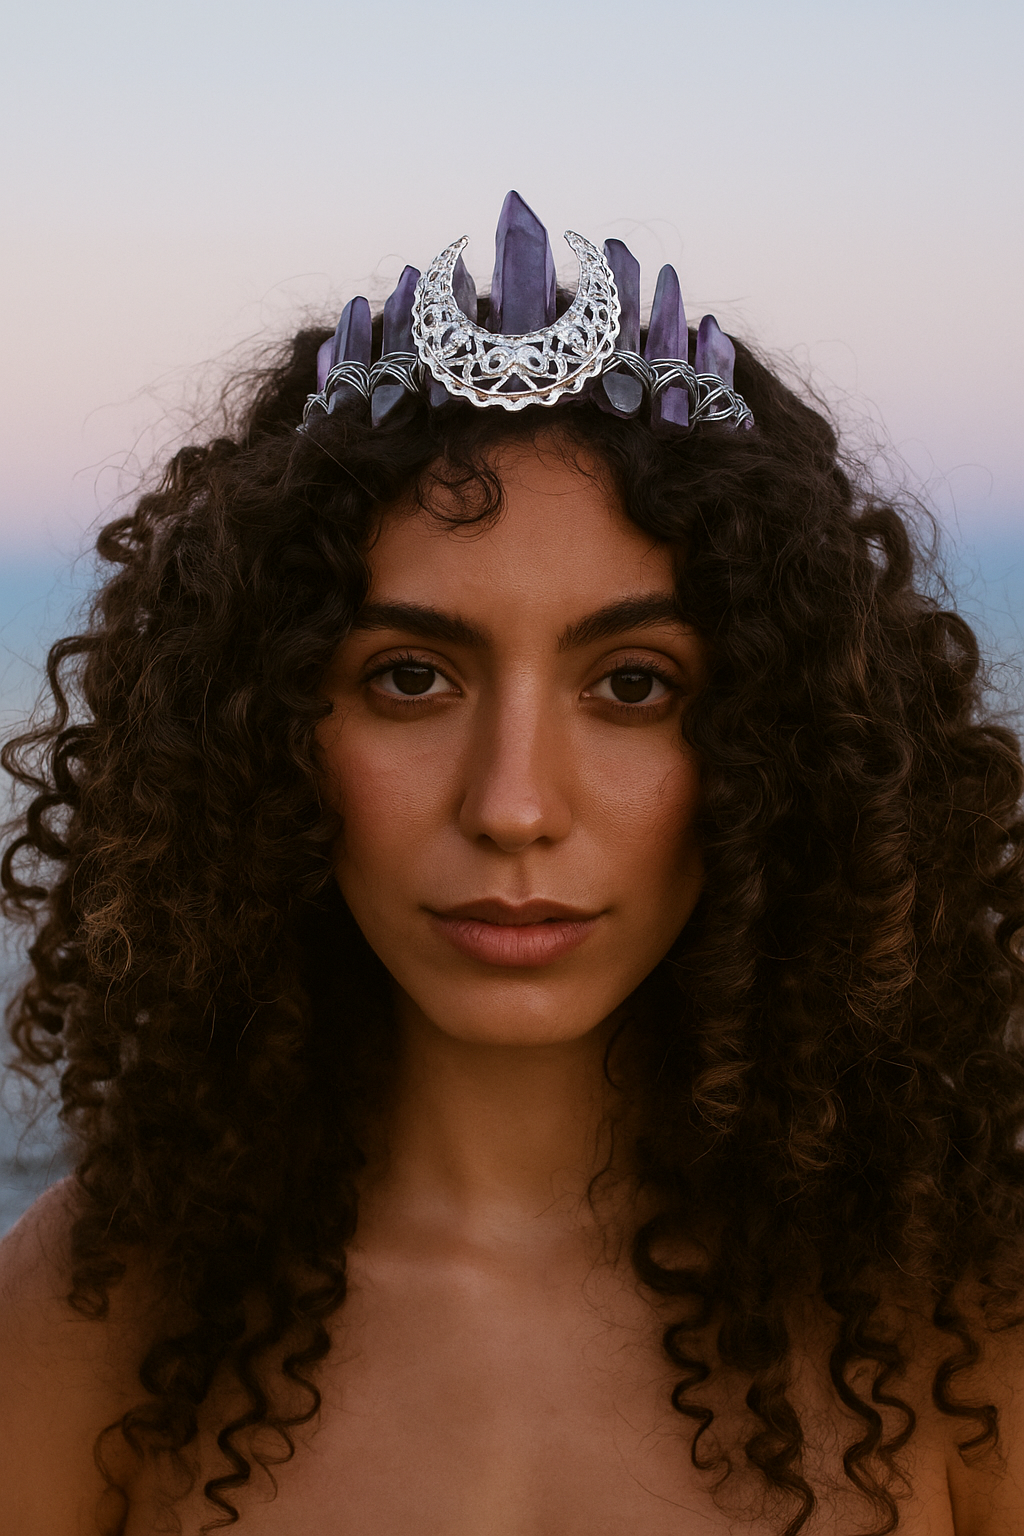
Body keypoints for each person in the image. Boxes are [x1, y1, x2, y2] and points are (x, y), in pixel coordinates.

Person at [1, 191, 1023, 1536]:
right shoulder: (86, 1319)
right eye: (410, 677)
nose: (515, 806)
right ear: (262, 736)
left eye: (635, 684)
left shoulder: (964, 1331)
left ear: (785, 751)